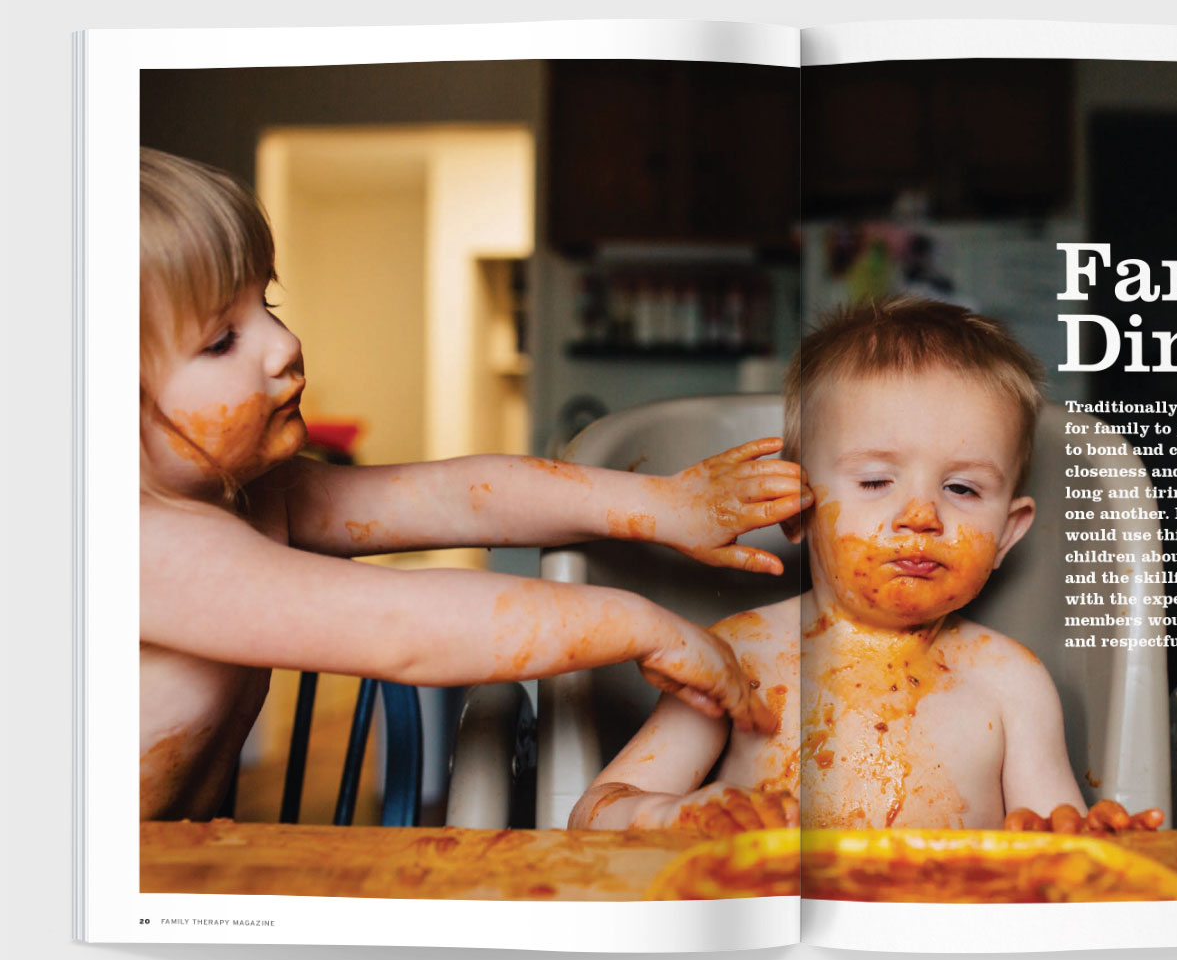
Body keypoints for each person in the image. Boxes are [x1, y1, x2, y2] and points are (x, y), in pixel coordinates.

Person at [138, 148, 809, 821]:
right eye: (222, 339)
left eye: (268, 302)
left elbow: (457, 495)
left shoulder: (254, 497)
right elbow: (403, 629)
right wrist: (647, 627)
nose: (282, 342)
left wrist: (663, 504)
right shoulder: (141, 548)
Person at [569, 296, 1161, 835]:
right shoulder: (738, 658)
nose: (921, 515)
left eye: (962, 489)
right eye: (876, 480)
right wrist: (671, 811)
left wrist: (1080, 838)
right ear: (797, 510)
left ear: (1006, 534)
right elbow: (594, 813)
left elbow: (1054, 838)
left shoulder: (1012, 683)